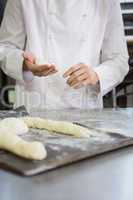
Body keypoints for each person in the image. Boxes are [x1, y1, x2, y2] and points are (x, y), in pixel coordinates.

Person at [0, 0, 129, 110]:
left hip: (85, 110)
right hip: (35, 106)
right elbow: (5, 47)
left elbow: (119, 59)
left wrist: (96, 75)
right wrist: (25, 64)